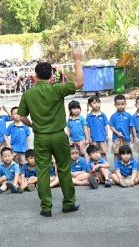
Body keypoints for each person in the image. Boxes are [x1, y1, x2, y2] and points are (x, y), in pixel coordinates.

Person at [16, 46, 86, 217]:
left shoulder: (28, 94)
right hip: (59, 135)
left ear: (35, 76)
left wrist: (33, 126)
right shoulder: (57, 89)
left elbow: (22, 116)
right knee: (64, 168)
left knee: (42, 170)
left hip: (41, 137)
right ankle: (68, 202)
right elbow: (79, 83)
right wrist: (77, 60)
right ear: (51, 76)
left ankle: (46, 207)